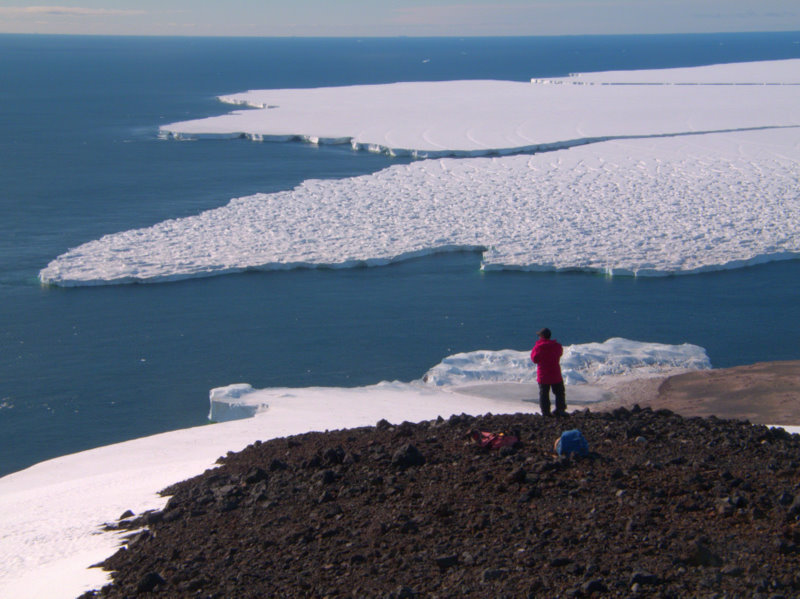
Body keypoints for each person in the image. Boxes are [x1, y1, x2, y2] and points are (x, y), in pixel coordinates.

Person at [531, 328, 566, 417]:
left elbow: (534, 359)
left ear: (542, 336)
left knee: (544, 394)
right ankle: (560, 409)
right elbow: (560, 353)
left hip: (543, 375)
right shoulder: (557, 346)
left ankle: (546, 412)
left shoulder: (538, 347)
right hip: (555, 373)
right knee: (559, 393)